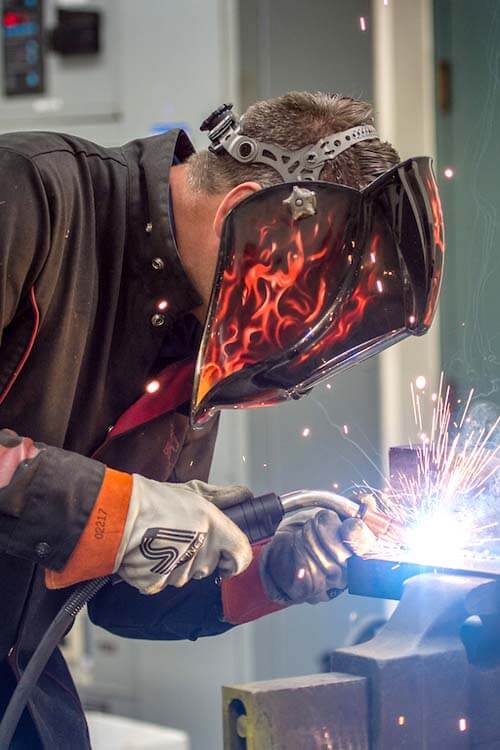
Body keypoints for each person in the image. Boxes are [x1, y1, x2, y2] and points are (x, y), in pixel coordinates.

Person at [0, 91, 442, 748]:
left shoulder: (196, 333)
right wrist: (115, 510)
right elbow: (111, 516)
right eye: (297, 307)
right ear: (245, 219)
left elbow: (126, 597)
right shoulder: (30, 198)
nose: (289, 342)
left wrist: (273, 571)